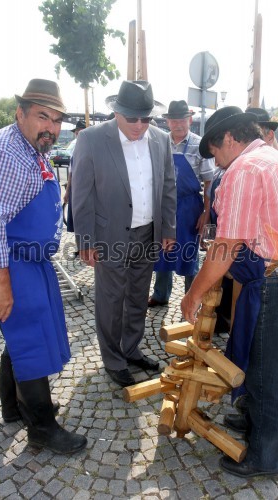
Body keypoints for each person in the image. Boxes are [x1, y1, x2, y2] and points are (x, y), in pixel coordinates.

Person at [181, 106, 278, 478]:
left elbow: (225, 246)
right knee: (265, 360)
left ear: (228, 138)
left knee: (268, 369)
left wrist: (193, 294)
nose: (219, 163)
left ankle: (265, 457)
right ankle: (255, 421)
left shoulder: (245, 168)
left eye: (217, 153)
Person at [0, 79, 87, 454]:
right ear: (21, 113)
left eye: (57, 120)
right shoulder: (6, 153)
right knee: (30, 339)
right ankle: (43, 428)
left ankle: (15, 408)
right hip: (12, 263)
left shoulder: (31, 146)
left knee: (20, 336)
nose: (51, 126)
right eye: (42, 116)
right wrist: (0, 282)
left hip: (32, 262)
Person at [72, 80, 176, 387]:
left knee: (137, 296)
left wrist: (168, 228)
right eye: (133, 117)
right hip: (109, 235)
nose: (140, 124)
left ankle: (131, 349)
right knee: (110, 298)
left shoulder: (161, 139)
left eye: (146, 118)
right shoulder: (91, 139)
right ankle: (113, 360)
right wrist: (85, 240)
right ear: (117, 113)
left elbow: (168, 185)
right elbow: (82, 192)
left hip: (148, 232)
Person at [148, 100, 214, 307]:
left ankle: (191, 297)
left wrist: (206, 212)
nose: (178, 124)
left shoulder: (200, 144)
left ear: (190, 120)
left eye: (182, 120)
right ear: (167, 122)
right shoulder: (158, 142)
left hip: (189, 207)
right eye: (174, 120)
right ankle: (160, 294)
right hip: (163, 205)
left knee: (189, 251)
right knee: (162, 250)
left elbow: (209, 181)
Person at [63, 120, 86, 258]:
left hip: (85, 189)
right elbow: (71, 171)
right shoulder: (75, 147)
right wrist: (67, 191)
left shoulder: (90, 146)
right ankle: (80, 246)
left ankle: (87, 245)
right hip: (76, 188)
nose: (78, 134)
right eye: (77, 132)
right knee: (77, 219)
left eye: (80, 132)